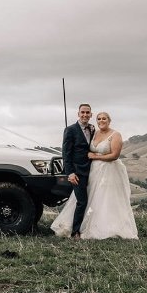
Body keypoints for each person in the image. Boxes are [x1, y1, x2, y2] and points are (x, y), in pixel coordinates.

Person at [52, 111, 138, 240]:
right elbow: (72, 151)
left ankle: (108, 226)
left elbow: (115, 155)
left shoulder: (116, 135)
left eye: (104, 118)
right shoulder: (94, 132)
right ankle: (81, 227)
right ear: (96, 121)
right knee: (92, 198)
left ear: (109, 120)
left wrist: (96, 156)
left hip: (109, 172)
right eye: (99, 119)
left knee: (106, 199)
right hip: (91, 171)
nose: (101, 121)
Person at [59, 103, 94, 239]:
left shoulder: (92, 129)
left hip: (90, 170)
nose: (85, 115)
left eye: (87, 112)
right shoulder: (70, 130)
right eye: (82, 112)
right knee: (82, 201)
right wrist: (70, 173)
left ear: (91, 114)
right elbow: (66, 153)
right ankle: (75, 232)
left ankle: (88, 226)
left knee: (89, 200)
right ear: (78, 114)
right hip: (77, 172)